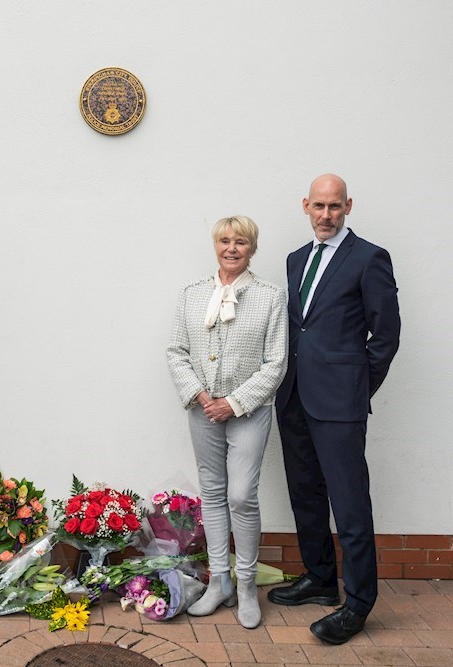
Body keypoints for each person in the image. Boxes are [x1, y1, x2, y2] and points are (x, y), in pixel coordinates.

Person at [268, 174, 400, 645]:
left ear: (348, 207)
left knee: (349, 502)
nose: (326, 215)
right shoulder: (295, 259)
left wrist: (357, 388)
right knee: (305, 493)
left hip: (340, 401)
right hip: (295, 396)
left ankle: (359, 603)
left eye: (335, 207)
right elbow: (299, 329)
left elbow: (385, 336)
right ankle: (320, 578)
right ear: (305, 205)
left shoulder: (369, 258)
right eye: (319, 206)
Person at [166, 216, 287, 629]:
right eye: (225, 241)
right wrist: (202, 397)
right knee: (213, 492)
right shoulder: (192, 293)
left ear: (252, 248)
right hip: (202, 411)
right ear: (215, 245)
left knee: (241, 495)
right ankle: (220, 583)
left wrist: (233, 403)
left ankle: (248, 585)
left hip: (248, 412)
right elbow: (176, 351)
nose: (232, 248)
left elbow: (276, 363)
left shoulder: (270, 296)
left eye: (241, 242)